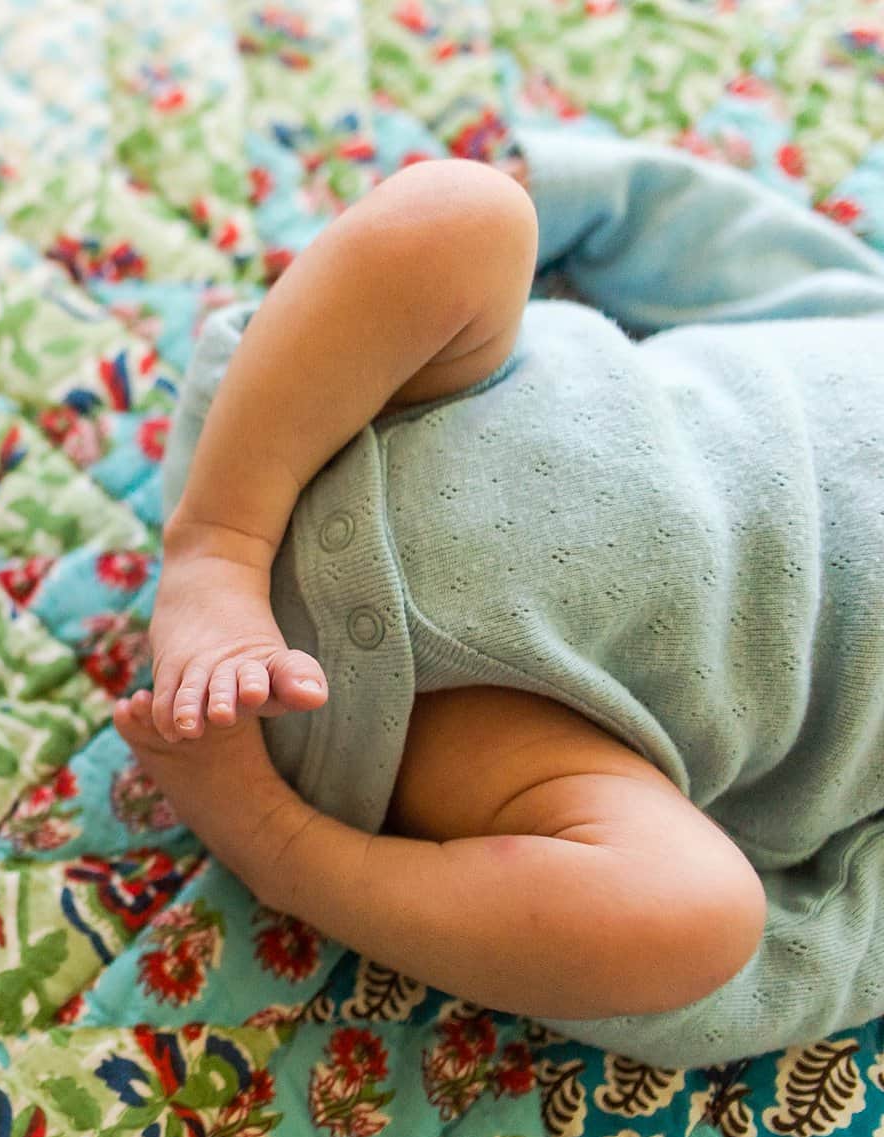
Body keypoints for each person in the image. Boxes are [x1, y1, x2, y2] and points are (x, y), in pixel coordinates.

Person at [112, 123, 884, 1071]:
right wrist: (565, 188)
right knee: (464, 210)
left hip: (459, 732)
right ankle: (214, 555)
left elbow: (837, 953)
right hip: (353, 425)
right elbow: (721, 242)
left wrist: (683, 969)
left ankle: (282, 849)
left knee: (702, 923)